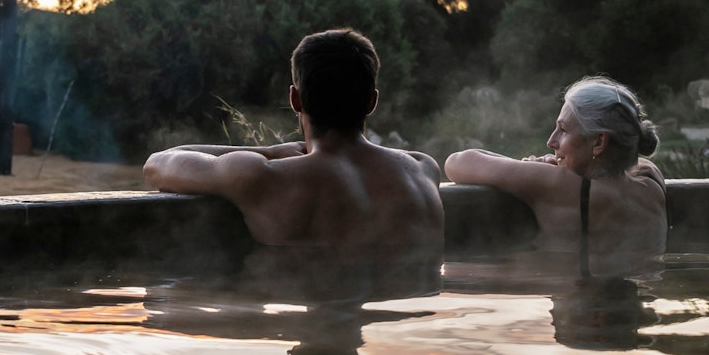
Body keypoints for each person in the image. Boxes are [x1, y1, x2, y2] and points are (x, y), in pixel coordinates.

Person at [142, 28, 444, 247]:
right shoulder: (421, 170)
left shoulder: (264, 176)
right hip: (393, 333)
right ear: (372, 102)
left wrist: (272, 151)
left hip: (307, 323)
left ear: (295, 99)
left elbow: (159, 162)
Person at [443, 76, 666, 250]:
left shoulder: (564, 188)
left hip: (580, 305)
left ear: (598, 142)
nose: (551, 141)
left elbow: (457, 163)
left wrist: (533, 169)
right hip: (629, 304)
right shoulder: (651, 180)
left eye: (564, 130)